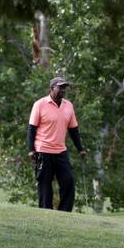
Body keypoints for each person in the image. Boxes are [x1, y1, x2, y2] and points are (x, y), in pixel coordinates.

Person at [27, 76, 87, 212]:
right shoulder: (40, 104)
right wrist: (31, 150)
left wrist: (80, 148)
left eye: (64, 87)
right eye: (60, 87)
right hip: (43, 150)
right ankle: (45, 212)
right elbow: (31, 128)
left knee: (68, 180)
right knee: (45, 184)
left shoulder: (68, 106)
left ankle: (64, 212)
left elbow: (73, 130)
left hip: (60, 151)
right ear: (51, 88)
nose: (63, 90)